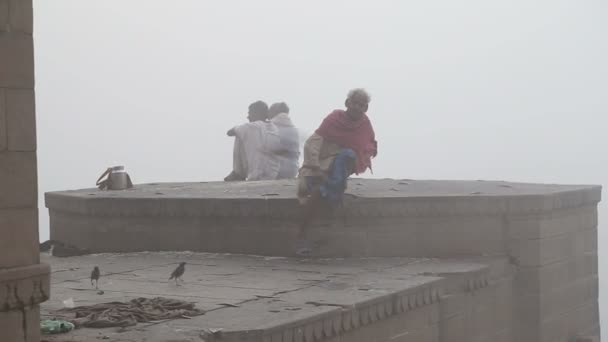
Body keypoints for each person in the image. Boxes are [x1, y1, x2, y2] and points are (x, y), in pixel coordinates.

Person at [296, 88, 377, 254]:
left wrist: (366, 153)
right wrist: (316, 168)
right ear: (347, 103)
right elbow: (313, 142)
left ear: (366, 108)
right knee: (318, 192)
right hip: (320, 164)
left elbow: (370, 144)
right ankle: (301, 236)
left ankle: (311, 236)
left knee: (347, 156)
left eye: (362, 105)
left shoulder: (364, 124)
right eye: (355, 103)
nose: (358, 108)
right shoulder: (334, 119)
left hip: (341, 168)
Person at [224, 101, 281, 181]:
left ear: (256, 113)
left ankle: (238, 172)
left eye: (249, 113)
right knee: (243, 133)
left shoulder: (252, 126)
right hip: (272, 174)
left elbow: (229, 132)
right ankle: (239, 173)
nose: (248, 117)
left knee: (239, 134)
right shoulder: (274, 128)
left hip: (257, 176)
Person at [267, 102, 300, 179]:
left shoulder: (269, 126)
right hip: (293, 170)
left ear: (274, 112)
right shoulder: (294, 129)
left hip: (275, 171)